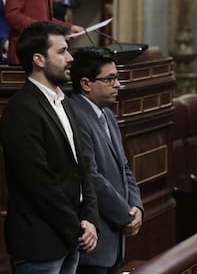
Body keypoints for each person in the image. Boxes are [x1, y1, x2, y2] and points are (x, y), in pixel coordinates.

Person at [0, 21, 99, 274]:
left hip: (70, 238)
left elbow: (82, 166)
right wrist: (78, 228)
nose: (70, 58)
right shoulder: (21, 109)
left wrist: (89, 218)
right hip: (40, 244)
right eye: (62, 51)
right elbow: (39, 183)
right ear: (39, 60)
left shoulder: (64, 102)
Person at [69, 47, 143, 274]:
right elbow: (90, 176)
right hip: (95, 243)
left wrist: (137, 207)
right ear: (86, 84)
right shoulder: (75, 115)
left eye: (117, 78)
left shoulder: (108, 114)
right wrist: (125, 215)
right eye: (110, 79)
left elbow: (124, 167)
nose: (118, 84)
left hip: (116, 239)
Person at [5, 0, 83, 65]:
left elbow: (46, 18)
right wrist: (42, 29)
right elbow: (12, 15)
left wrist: (67, 28)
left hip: (41, 51)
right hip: (25, 53)